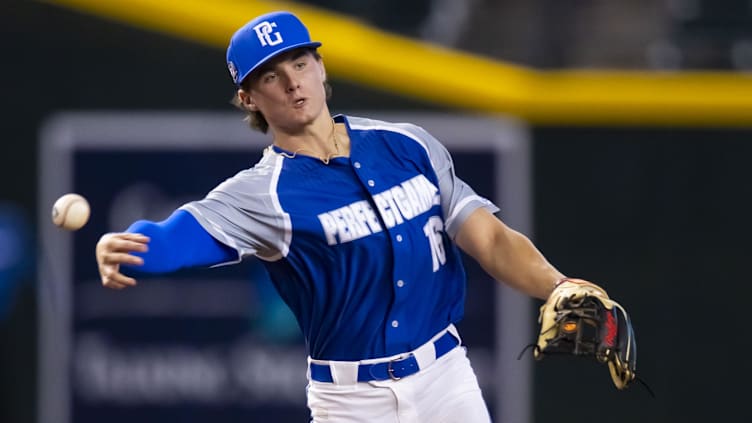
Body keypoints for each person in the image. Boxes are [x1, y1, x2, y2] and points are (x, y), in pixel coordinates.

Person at [96, 10, 574, 422]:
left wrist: (559, 286)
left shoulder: (407, 144)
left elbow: (489, 239)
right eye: (270, 76)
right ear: (248, 99)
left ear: (321, 67)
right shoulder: (263, 194)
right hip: (351, 401)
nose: (292, 82)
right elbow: (177, 237)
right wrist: (131, 246)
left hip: (446, 378)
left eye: (300, 63)